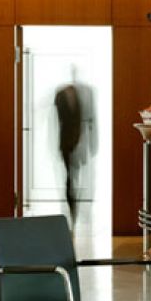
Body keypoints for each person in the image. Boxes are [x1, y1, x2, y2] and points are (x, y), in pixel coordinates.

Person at [54, 66, 96, 228]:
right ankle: (72, 206)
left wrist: (90, 143)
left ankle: (76, 204)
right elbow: (56, 120)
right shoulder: (61, 95)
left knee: (76, 175)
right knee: (70, 177)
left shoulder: (83, 95)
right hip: (66, 141)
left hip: (79, 140)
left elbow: (88, 120)